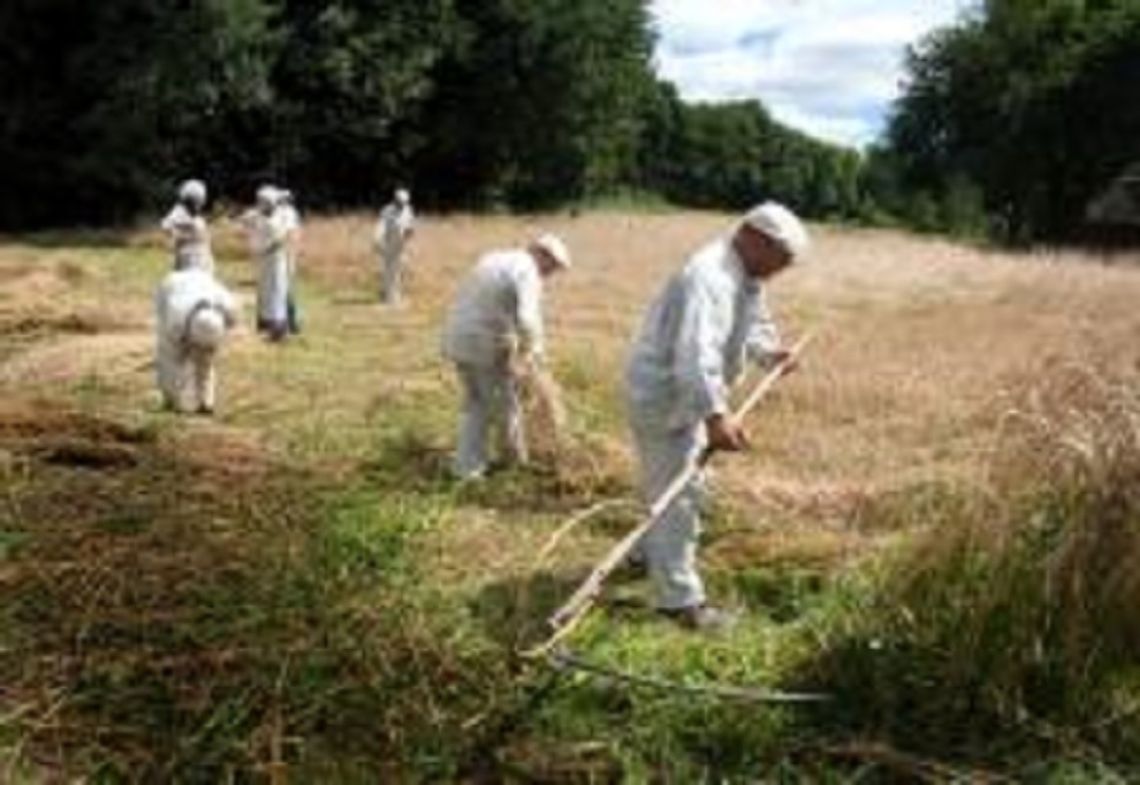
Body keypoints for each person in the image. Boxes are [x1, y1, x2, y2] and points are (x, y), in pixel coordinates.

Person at [625, 202, 809, 631]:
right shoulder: (708, 276)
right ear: (755, 238)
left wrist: (771, 353)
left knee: (680, 484)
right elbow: (695, 354)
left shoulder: (746, 273)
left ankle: (647, 554)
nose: (780, 271)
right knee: (680, 496)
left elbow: (754, 323)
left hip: (685, 396)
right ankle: (679, 603)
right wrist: (715, 417)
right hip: (665, 397)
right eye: (780, 260)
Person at [442, 233, 572, 479]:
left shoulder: (495, 257)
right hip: (483, 345)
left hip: (457, 337)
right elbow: (528, 319)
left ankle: (466, 467)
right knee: (507, 406)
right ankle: (515, 464)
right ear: (541, 254)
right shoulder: (527, 270)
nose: (550, 274)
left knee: (476, 404)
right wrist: (535, 354)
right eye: (551, 267)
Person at [154, 267, 239, 415]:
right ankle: (172, 400)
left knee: (206, 361)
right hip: (171, 287)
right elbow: (172, 360)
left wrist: (209, 348)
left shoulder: (227, 304)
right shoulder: (175, 318)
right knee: (173, 362)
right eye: (199, 347)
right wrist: (179, 402)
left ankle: (206, 402)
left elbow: (233, 321)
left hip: (201, 281)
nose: (202, 351)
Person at [241, 185, 291, 341]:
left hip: (274, 260)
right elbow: (245, 220)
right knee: (265, 292)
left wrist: (262, 250)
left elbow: (277, 241)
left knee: (276, 292)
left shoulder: (277, 219)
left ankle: (278, 331)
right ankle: (266, 325)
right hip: (264, 260)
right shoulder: (258, 216)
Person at [160, 179, 214, 274]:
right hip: (187, 260)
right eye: (196, 200)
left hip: (202, 260)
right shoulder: (179, 212)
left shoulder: (197, 216)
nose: (199, 204)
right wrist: (183, 231)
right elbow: (166, 226)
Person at [375, 188, 416, 304]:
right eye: (399, 202)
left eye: (404, 203)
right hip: (388, 244)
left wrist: (410, 233)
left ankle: (396, 294)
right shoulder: (387, 211)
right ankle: (389, 298)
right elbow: (381, 226)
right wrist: (378, 241)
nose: (401, 205)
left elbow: (410, 226)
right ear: (395, 200)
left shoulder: (408, 211)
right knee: (389, 271)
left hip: (402, 245)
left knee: (401, 269)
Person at [278, 189, 303, 334]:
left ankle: (292, 322)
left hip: (286, 255)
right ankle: (290, 322)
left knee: (286, 290)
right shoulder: (290, 213)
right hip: (288, 255)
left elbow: (287, 234)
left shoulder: (287, 213)